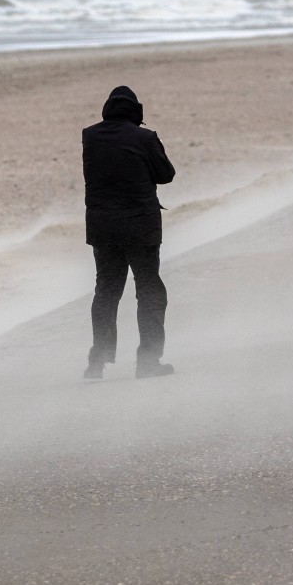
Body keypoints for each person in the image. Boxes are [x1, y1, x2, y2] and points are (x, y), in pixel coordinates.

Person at [82, 85, 177, 379]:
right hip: (141, 226)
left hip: (103, 227)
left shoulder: (90, 136)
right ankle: (148, 361)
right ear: (136, 110)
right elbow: (167, 175)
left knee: (106, 292)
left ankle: (96, 363)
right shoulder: (145, 137)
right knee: (149, 291)